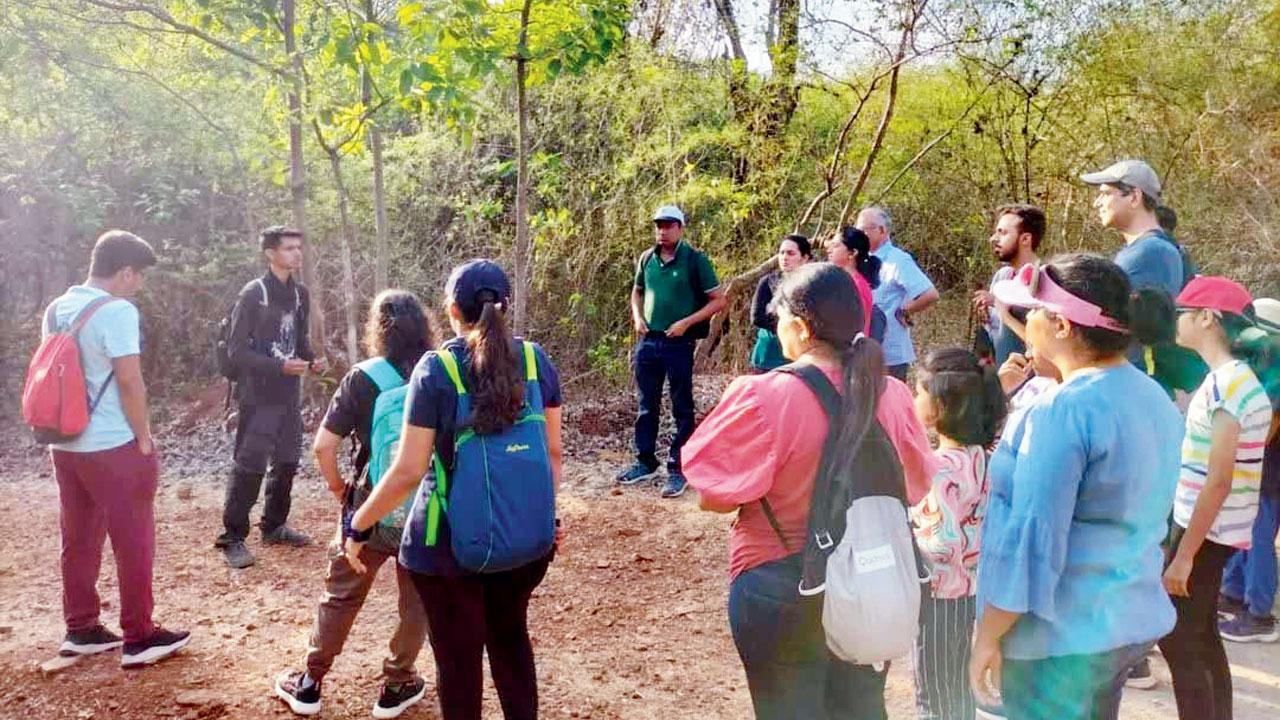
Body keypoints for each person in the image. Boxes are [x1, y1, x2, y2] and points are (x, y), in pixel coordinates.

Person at [682, 263, 939, 719]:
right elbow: (917, 487)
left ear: (800, 328)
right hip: (870, 580)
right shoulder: (893, 395)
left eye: (779, 319)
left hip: (779, 585)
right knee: (861, 706)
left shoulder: (762, 396)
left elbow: (714, 497)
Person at [342, 260, 562, 720]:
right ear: (505, 305)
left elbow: (408, 470)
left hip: (447, 549)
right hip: (525, 542)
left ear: (451, 310)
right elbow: (552, 454)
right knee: (511, 640)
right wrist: (544, 518)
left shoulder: (437, 369)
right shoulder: (534, 360)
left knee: (459, 663)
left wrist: (358, 524)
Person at [969, 254, 1184, 720]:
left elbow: (1034, 542)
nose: (1025, 324)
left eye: (1033, 313)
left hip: (1058, 640)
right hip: (1124, 621)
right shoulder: (1153, 396)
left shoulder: (1062, 411)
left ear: (1062, 326)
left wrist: (989, 634)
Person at [274, 291, 434, 718]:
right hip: (427, 507)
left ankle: (309, 681)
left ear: (377, 330)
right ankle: (398, 682)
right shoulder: (441, 370)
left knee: (341, 595)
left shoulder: (363, 378)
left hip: (370, 503)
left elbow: (324, 447)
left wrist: (341, 490)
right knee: (416, 598)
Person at [45, 230, 191, 668]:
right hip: (110, 443)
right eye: (138, 275)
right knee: (133, 537)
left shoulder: (58, 307)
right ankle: (139, 636)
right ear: (125, 271)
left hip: (64, 442)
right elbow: (129, 380)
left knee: (78, 535)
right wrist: (143, 435)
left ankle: (82, 627)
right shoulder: (118, 311)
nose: (139, 283)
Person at [1159, 277, 1277, 720]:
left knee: (1178, 636)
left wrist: (1185, 554)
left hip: (1204, 530)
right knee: (1202, 631)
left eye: (1182, 311)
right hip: (1214, 527)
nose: (1176, 319)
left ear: (1207, 318)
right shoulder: (1237, 381)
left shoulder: (1227, 384)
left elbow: (1220, 479)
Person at [215, 225, 326, 569]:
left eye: (298, 248)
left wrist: (312, 362)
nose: (297, 253)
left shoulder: (299, 294)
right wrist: (280, 368)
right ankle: (232, 537)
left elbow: (298, 340)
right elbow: (235, 352)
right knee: (250, 464)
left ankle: (274, 525)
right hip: (258, 394)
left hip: (288, 393)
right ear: (270, 254)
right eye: (289, 248)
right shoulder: (254, 294)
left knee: (288, 460)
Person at [909, 347, 1006, 720]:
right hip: (971, 591)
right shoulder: (983, 455)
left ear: (939, 407)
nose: (913, 399)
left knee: (935, 695)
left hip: (938, 595)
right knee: (953, 689)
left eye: (919, 392)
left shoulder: (938, 468)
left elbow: (940, 542)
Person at [617, 205, 726, 498]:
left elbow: (718, 300)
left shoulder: (695, 260)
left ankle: (680, 468)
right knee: (646, 404)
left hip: (679, 342)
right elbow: (637, 291)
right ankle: (645, 461)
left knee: (681, 406)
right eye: (658, 225)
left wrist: (685, 323)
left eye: (668, 225)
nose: (662, 231)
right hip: (649, 341)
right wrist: (638, 317)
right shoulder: (646, 258)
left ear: (680, 228)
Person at [1219, 297, 1280, 643]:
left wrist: (1243, 456)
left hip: (1268, 473)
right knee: (1246, 532)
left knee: (1257, 539)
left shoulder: (1275, 372)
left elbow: (1268, 424)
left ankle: (1259, 615)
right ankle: (1233, 590)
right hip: (1262, 470)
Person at [856, 206, 939, 380]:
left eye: (864, 229)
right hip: (863, 351)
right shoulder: (860, 261)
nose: (859, 234)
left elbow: (930, 294)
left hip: (889, 354)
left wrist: (904, 310)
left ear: (882, 230)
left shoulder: (897, 260)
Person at [973, 204, 1045, 365]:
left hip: (1033, 380)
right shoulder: (1002, 276)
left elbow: (1044, 346)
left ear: (1025, 239)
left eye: (1003, 233)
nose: (993, 239)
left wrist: (1001, 308)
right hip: (1004, 378)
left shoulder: (1045, 280)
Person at [750, 234, 811, 372]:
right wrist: (788, 326)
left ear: (805, 258)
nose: (784, 257)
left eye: (790, 253)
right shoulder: (768, 282)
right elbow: (757, 317)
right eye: (781, 253)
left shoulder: (812, 284)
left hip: (800, 354)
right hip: (769, 354)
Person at [822, 226, 880, 337]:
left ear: (853, 253)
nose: (829, 250)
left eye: (836, 246)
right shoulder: (841, 281)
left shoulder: (855, 285)